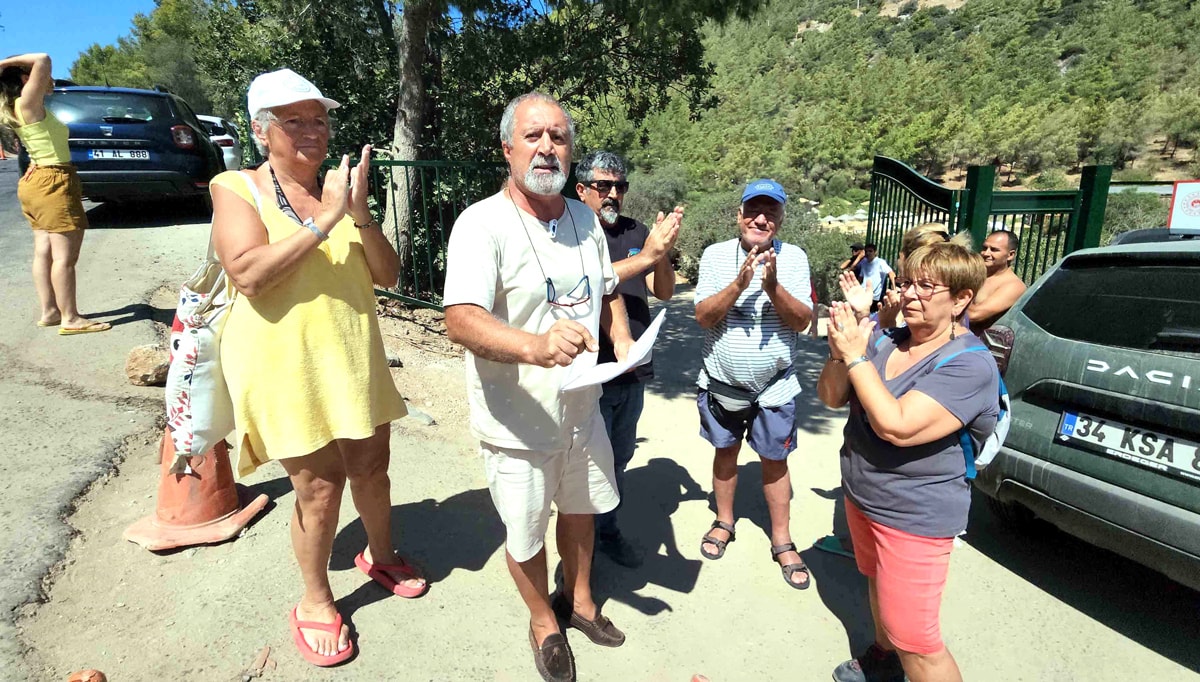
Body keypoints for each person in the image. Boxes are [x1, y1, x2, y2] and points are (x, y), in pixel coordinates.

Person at [210, 68, 425, 668]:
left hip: (352, 356)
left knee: (373, 467)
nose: (312, 130)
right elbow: (248, 274)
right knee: (320, 487)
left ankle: (379, 555)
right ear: (261, 131)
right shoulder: (237, 186)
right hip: (283, 365)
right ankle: (315, 598)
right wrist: (326, 218)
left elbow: (388, 274)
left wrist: (358, 212)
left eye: (319, 118)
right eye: (294, 120)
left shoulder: (339, 193)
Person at [443, 92, 633, 682]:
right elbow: (461, 319)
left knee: (580, 510)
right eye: (533, 136)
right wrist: (534, 346)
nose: (548, 147)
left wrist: (624, 340)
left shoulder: (585, 218)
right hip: (517, 419)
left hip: (584, 407)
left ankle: (579, 602)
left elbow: (606, 289)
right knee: (526, 531)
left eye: (559, 136)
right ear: (508, 148)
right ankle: (543, 623)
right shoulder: (481, 224)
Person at [818, 240, 1000, 682]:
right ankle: (883, 659)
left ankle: (899, 656)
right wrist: (843, 347)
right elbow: (830, 396)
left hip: (914, 515)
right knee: (877, 583)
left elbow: (896, 426)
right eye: (907, 283)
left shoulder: (970, 366)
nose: (909, 294)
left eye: (926, 286)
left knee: (917, 642)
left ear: (961, 299)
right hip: (863, 498)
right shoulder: (889, 340)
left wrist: (856, 354)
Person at [694, 179, 814, 590]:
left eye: (771, 212)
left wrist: (772, 287)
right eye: (753, 211)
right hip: (722, 383)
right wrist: (739, 285)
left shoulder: (794, 258)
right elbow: (704, 317)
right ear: (739, 215)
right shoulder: (715, 255)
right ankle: (724, 521)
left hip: (775, 387)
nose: (761, 219)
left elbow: (803, 321)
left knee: (775, 462)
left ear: (780, 219)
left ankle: (782, 540)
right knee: (725, 452)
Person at [575, 150, 683, 569]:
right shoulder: (575, 233)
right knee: (587, 461)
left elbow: (664, 291)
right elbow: (592, 280)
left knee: (619, 457)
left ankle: (607, 530)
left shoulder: (638, 231)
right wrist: (647, 255)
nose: (613, 194)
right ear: (582, 190)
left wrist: (663, 252)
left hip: (632, 368)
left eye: (619, 186)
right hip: (590, 370)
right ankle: (580, 544)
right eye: (603, 185)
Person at [0, 53, 110, 335]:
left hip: (36, 179)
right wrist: (4, 64)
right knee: (65, 257)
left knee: (44, 251)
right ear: (26, 78)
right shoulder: (27, 102)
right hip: (53, 180)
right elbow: (43, 58)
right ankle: (70, 318)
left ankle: (50, 311)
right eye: (44, 77)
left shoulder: (13, 105)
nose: (50, 80)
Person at [968, 229, 1026, 335]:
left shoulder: (1014, 286)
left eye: (994, 250)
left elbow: (974, 315)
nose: (986, 253)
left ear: (1010, 255)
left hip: (980, 343)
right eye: (984, 248)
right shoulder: (975, 274)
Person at [857, 243, 894, 313]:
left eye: (870, 251)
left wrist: (894, 289)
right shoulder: (864, 263)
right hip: (863, 293)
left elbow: (891, 273)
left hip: (875, 296)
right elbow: (860, 278)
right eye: (866, 251)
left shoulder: (880, 262)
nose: (868, 253)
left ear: (875, 252)